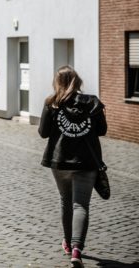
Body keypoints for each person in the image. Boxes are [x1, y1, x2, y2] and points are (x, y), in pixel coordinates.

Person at [39, 66, 107, 267]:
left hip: (60, 161)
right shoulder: (93, 103)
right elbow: (102, 131)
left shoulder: (52, 104)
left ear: (57, 82)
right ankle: (77, 249)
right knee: (81, 205)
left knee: (66, 201)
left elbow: (43, 133)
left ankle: (67, 244)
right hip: (86, 161)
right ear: (77, 81)